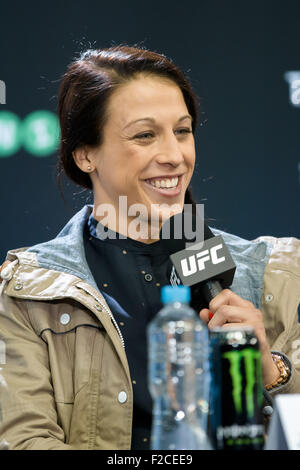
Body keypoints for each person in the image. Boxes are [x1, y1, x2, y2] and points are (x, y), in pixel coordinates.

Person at [0, 45, 299, 451]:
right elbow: (23, 440)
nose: (174, 156)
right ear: (85, 154)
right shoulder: (25, 292)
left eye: (182, 131)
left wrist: (272, 372)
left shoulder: (278, 273)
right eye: (145, 135)